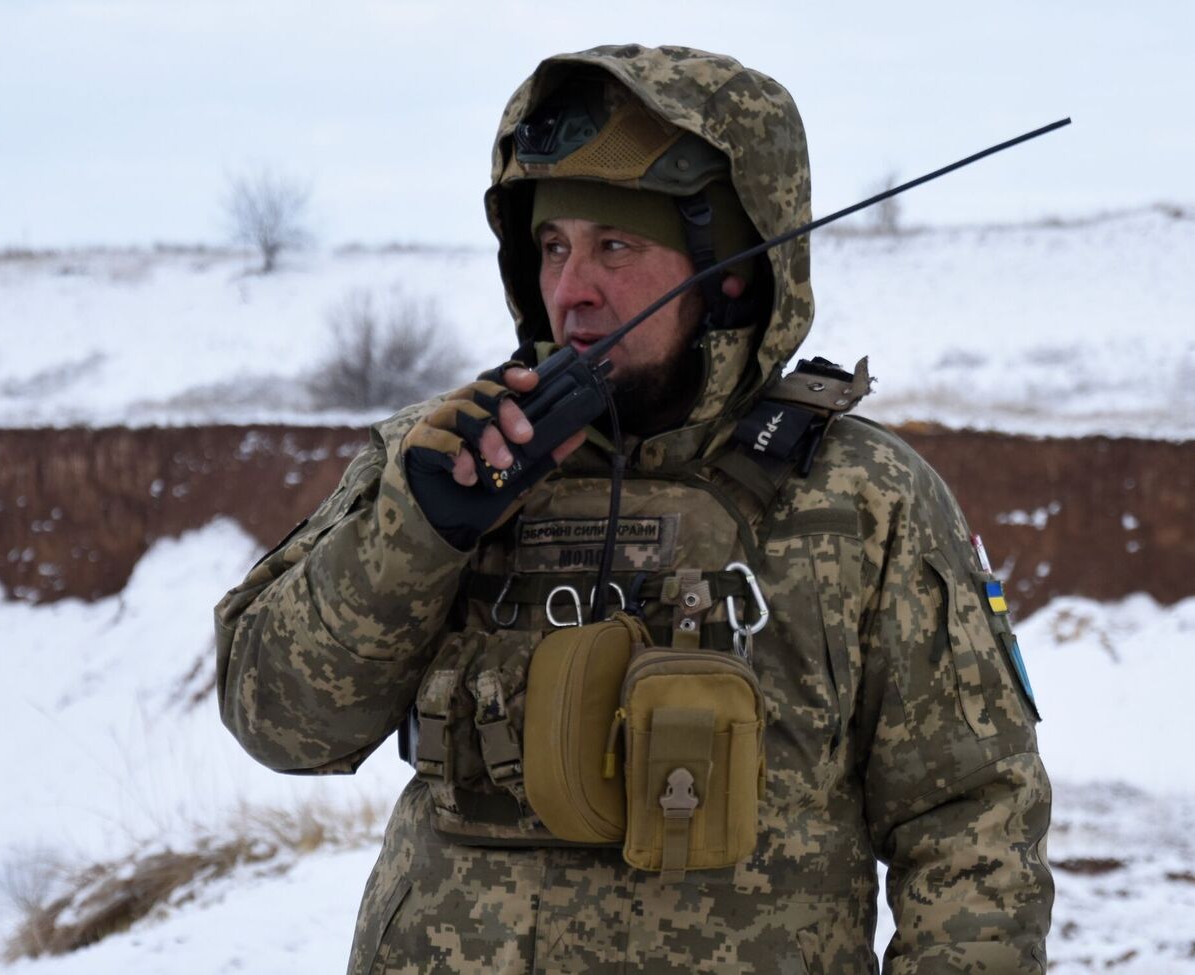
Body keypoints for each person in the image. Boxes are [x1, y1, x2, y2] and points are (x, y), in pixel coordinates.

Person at [215, 44, 1052, 974]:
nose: (572, 290)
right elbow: (278, 722)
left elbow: (975, 829)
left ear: (730, 272)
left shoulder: (864, 500)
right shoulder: (443, 458)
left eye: (616, 246)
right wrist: (413, 536)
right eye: (553, 246)